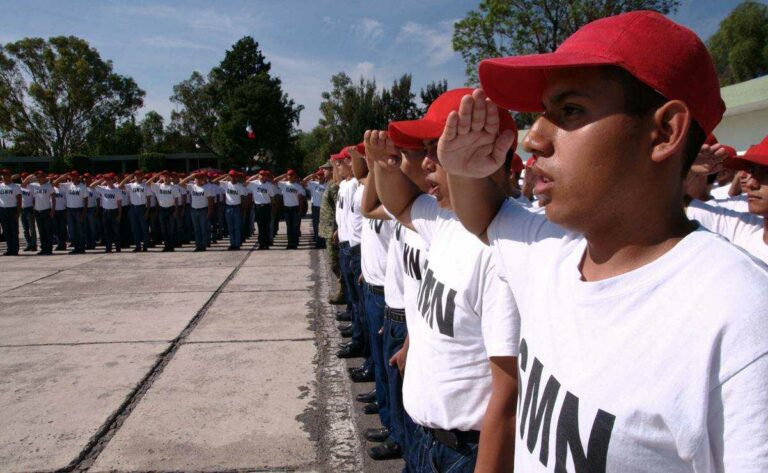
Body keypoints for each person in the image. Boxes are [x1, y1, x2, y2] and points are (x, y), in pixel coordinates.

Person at [437, 11, 767, 472]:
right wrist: (463, 168)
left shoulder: (740, 321)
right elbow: (487, 217)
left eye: (569, 111)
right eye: (542, 114)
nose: (534, 138)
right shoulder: (555, 250)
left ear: (665, 131)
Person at [369, 87, 521, 472]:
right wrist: (383, 166)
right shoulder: (448, 221)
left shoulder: (502, 248)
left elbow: (508, 397)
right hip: (427, 440)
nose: (425, 166)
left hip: (466, 452)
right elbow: (400, 204)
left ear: (487, 154)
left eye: (438, 149)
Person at [685, 135, 768, 263]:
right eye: (752, 170)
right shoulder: (742, 226)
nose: (751, 182)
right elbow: (677, 202)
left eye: (767, 173)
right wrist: (689, 169)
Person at [318, 162, 347, 305]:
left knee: (335, 263)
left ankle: (344, 291)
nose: (323, 171)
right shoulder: (330, 184)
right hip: (328, 229)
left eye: (325, 169)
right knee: (334, 263)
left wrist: (339, 228)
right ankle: (344, 290)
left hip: (332, 230)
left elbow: (339, 208)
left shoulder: (334, 186)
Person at [53, 171, 88, 254]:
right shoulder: (68, 185)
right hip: (70, 210)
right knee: (72, 231)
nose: (73, 178)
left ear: (78, 177)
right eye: (71, 176)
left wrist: (83, 213)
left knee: (80, 230)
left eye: (74, 176)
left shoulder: (82, 187)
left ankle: (81, 248)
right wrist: (64, 175)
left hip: (79, 210)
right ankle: (76, 247)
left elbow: (86, 200)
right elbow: (54, 183)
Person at [180, 172, 215, 252]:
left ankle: (203, 245)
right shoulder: (192, 187)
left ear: (203, 179)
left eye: (200, 178)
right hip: (194, 210)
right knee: (196, 230)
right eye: (197, 178)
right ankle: (198, 245)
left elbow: (210, 201)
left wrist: (209, 211)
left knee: (203, 229)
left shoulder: (207, 187)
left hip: (203, 210)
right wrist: (191, 176)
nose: (198, 180)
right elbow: (181, 183)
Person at [147, 171, 181, 252]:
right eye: (164, 177)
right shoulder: (158, 186)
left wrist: (176, 210)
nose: (166, 178)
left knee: (171, 229)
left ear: (170, 178)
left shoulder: (174, 187)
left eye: (167, 177)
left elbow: (176, 200)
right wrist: (158, 174)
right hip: (162, 209)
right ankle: (166, 246)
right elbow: (148, 183)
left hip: (171, 209)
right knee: (163, 229)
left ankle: (171, 246)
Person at [120, 171, 153, 252]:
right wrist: (128, 177)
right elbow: (120, 186)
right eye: (136, 176)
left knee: (144, 228)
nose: (137, 177)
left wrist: (147, 211)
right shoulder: (130, 185)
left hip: (142, 207)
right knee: (135, 228)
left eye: (139, 176)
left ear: (142, 176)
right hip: (133, 207)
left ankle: (145, 245)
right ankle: (137, 246)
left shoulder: (146, 186)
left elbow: (148, 199)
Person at [215, 170, 248, 251]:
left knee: (237, 227)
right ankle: (232, 244)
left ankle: (237, 244)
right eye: (232, 176)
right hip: (228, 208)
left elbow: (244, 198)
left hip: (237, 207)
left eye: (234, 176)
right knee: (230, 228)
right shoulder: (226, 184)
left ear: (237, 177)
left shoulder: (240, 186)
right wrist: (225, 176)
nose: (233, 178)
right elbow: (214, 181)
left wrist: (244, 210)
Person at [246, 170, 278, 250]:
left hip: (267, 206)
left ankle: (266, 243)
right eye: (261, 175)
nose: (263, 177)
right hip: (258, 206)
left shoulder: (269, 185)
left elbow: (272, 197)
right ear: (259, 176)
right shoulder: (254, 183)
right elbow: (245, 183)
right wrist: (255, 176)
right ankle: (261, 243)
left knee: (266, 226)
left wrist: (273, 207)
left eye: (265, 175)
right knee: (260, 226)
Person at [275, 169, 306, 249]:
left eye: (292, 175)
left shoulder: (298, 186)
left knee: (295, 227)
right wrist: (283, 175)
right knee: (289, 227)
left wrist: (300, 209)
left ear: (294, 176)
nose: (290, 177)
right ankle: (289, 243)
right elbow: (274, 181)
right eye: (289, 175)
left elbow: (301, 199)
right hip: (287, 208)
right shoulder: (284, 184)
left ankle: (295, 243)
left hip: (295, 208)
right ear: (287, 176)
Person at [26, 171, 54, 255]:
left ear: (44, 177)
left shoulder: (48, 186)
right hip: (37, 211)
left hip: (46, 210)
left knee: (48, 231)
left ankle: (49, 249)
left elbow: (53, 198)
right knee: (41, 231)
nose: (39, 178)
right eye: (38, 177)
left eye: (41, 176)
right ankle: (43, 248)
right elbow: (24, 184)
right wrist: (32, 176)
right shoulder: (34, 186)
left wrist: (52, 210)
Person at [94, 173, 123, 253]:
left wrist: (119, 215)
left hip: (114, 211)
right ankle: (108, 248)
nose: (108, 181)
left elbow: (119, 203)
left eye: (109, 179)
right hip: (105, 211)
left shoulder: (117, 190)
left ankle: (118, 248)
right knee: (107, 232)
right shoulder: (103, 188)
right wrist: (101, 179)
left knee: (116, 231)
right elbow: (91, 185)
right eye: (107, 180)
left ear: (112, 180)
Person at [303, 168, 329, 248]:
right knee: (316, 225)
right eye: (319, 175)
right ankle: (318, 242)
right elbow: (303, 181)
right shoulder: (313, 184)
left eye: (321, 175)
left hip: (324, 207)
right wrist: (313, 175)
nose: (320, 177)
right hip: (315, 207)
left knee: (323, 225)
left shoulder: (327, 185)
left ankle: (323, 242)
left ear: (324, 176)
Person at [0, 168, 22, 256]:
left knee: (14, 231)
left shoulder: (15, 187)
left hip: (12, 209)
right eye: (3, 175)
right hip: (2, 209)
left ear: (10, 176)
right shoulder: (1, 186)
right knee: (6, 231)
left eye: (6, 175)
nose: (5, 177)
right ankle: (9, 249)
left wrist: (18, 212)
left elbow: (19, 200)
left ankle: (15, 249)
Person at [18, 173, 38, 252]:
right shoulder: (20, 187)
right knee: (25, 229)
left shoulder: (32, 187)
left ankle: (34, 245)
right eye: (22, 177)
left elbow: (34, 199)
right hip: (22, 209)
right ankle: (28, 244)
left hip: (30, 209)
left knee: (32, 229)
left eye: (24, 177)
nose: (23, 179)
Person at [51, 176, 68, 251]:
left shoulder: (64, 188)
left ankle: (63, 243)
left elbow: (67, 199)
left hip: (62, 210)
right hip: (54, 211)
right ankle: (59, 243)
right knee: (56, 229)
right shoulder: (52, 188)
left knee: (62, 228)